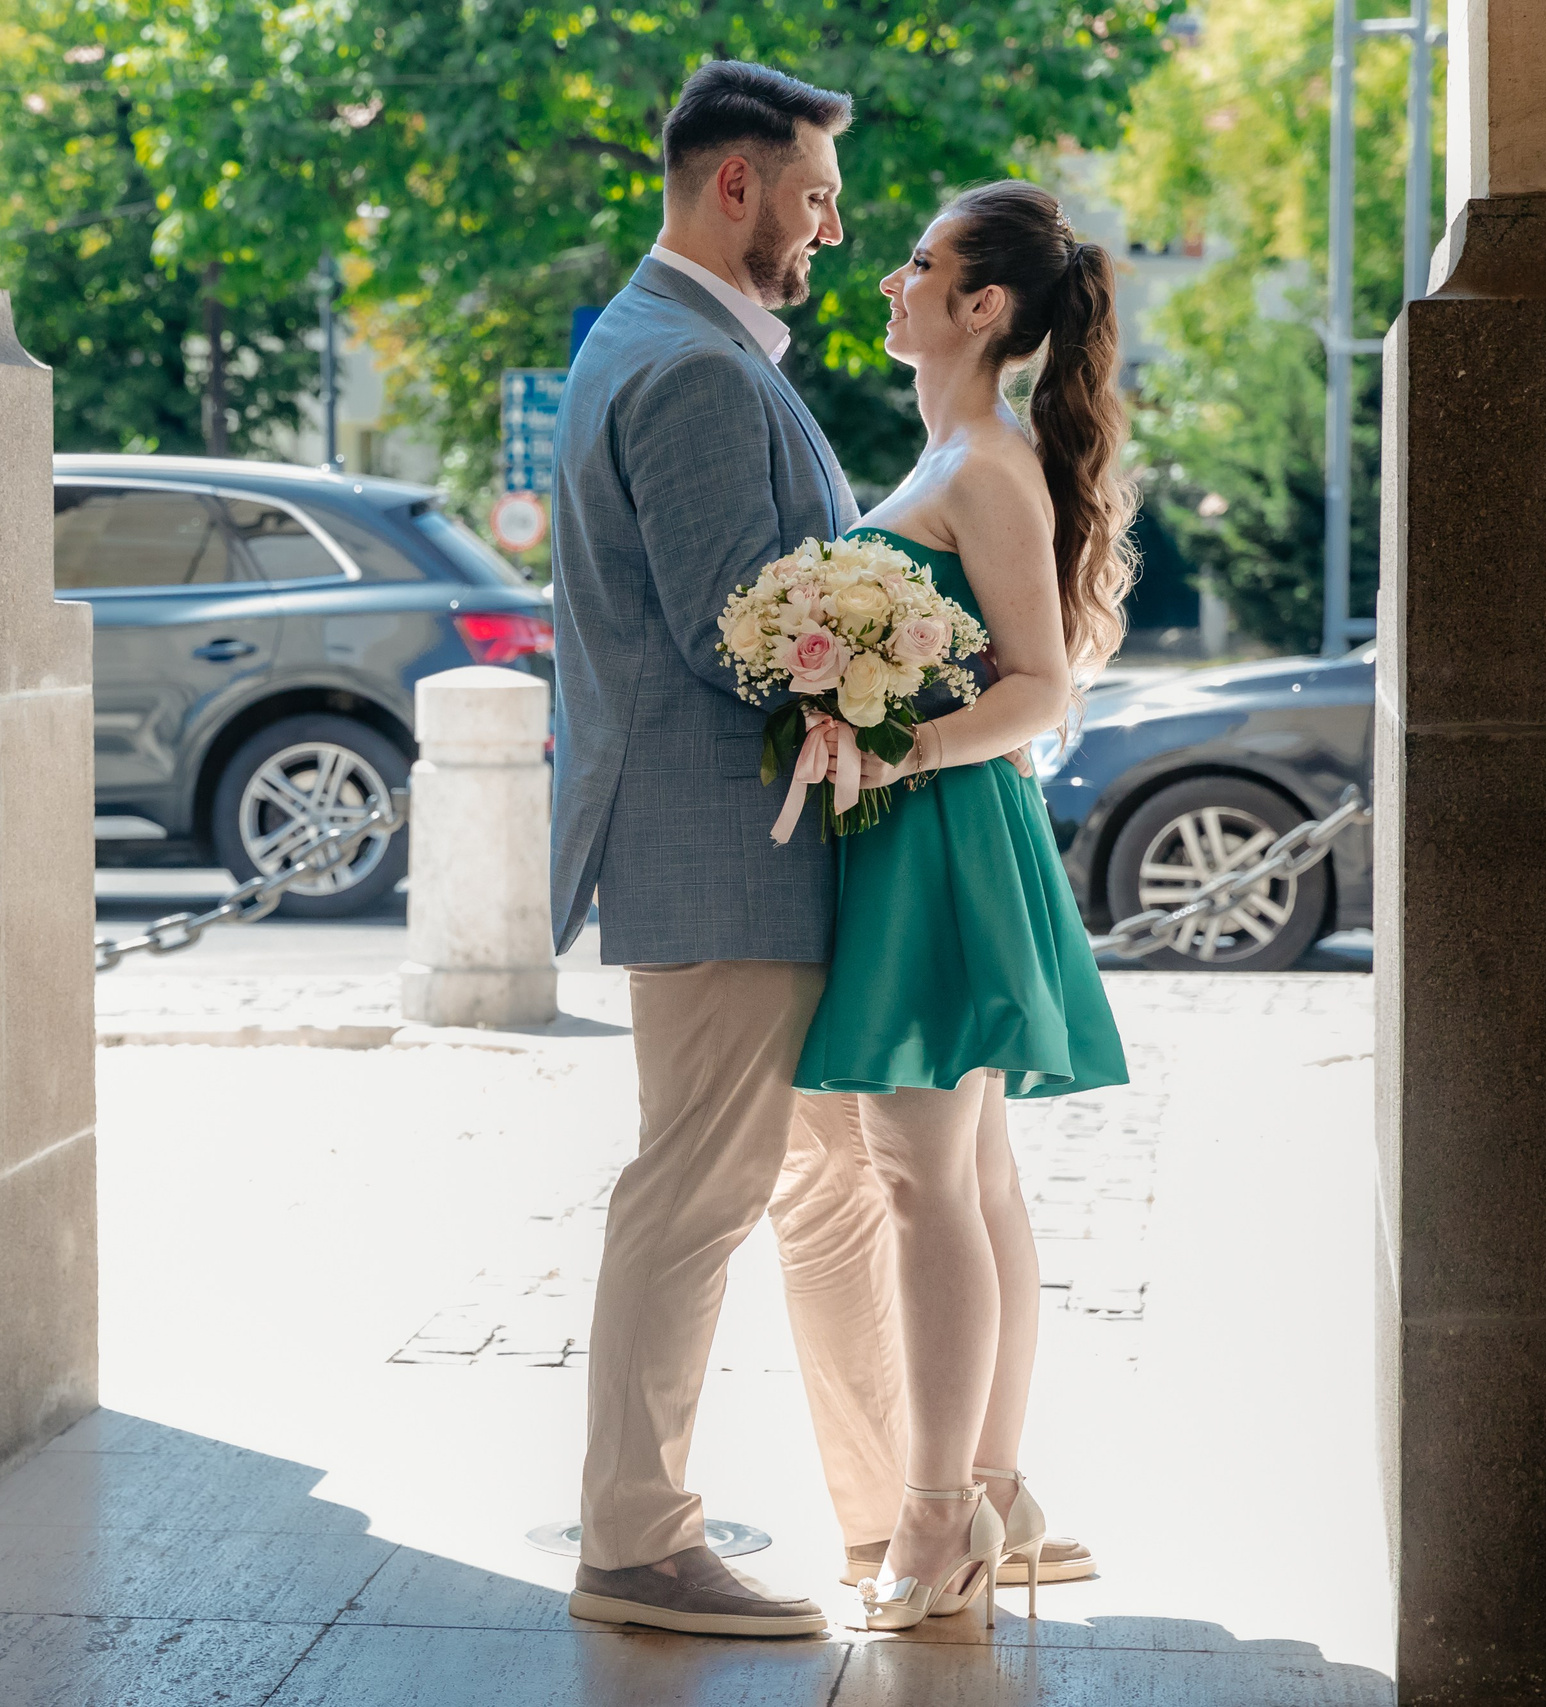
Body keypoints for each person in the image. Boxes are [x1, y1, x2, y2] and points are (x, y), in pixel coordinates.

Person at [781, 178, 1135, 1631]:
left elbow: (1037, 686)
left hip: (939, 831)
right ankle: (995, 1489)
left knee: (930, 1183)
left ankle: (938, 1528)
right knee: (968, 1180)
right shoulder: (960, 451)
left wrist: (892, 747)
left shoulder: (984, 461)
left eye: (917, 263)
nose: (887, 280)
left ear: (981, 308)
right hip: (926, 831)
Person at [546, 58, 858, 1638]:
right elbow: (746, 627)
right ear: (733, 185)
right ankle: (637, 1540)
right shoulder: (692, 368)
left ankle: (903, 1508)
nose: (829, 232)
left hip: (729, 844)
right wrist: (909, 660)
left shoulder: (669, 342)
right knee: (698, 1190)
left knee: (828, 1179)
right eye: (812, 198)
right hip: (724, 848)